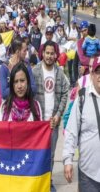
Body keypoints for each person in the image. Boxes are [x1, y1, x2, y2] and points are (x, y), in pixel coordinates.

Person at [32, 40, 69, 192]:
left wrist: (58, 115)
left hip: (53, 122)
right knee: (36, 153)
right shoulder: (34, 71)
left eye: (52, 53)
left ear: (55, 55)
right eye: (47, 53)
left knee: (51, 154)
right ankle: (36, 180)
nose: (49, 56)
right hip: (37, 123)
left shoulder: (60, 73)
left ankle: (48, 180)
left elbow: (66, 93)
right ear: (42, 53)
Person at [63, 56, 100, 192]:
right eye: (98, 72)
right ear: (92, 74)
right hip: (88, 174)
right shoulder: (82, 99)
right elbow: (71, 131)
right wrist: (68, 160)